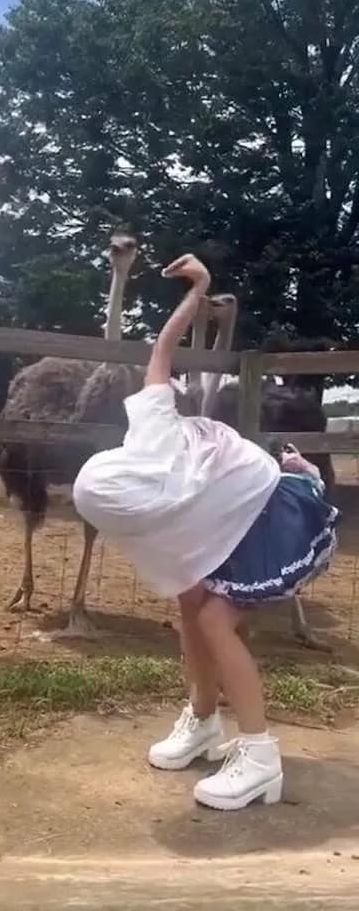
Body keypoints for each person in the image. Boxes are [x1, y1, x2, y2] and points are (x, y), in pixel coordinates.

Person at [73, 254, 338, 811]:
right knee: (191, 603)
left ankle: (260, 756)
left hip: (272, 517)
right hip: (231, 518)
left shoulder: (163, 499)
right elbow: (161, 356)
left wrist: (200, 295)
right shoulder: (149, 431)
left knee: (217, 619)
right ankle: (202, 719)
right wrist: (196, 292)